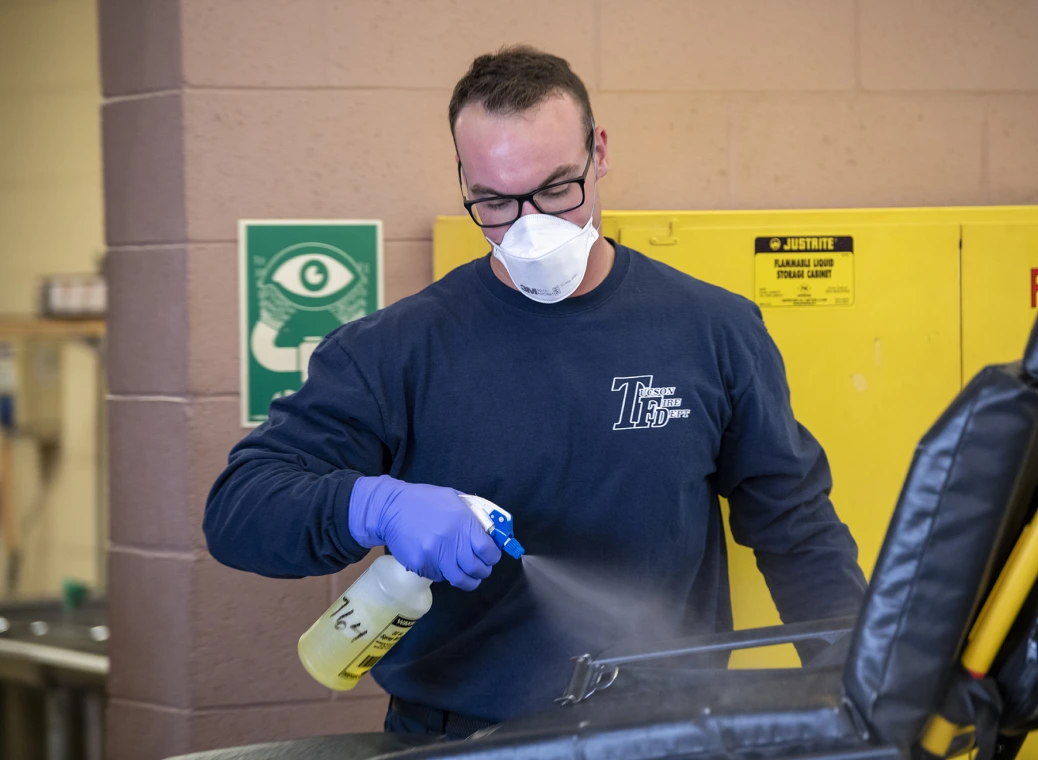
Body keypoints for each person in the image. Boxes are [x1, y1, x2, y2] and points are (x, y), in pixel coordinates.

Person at [203, 45, 866, 740]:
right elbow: (239, 510)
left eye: (556, 190)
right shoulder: (395, 351)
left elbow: (796, 529)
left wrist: (862, 690)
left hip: (667, 736)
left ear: (598, 152)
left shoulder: (712, 329)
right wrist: (373, 506)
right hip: (462, 737)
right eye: (493, 201)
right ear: (463, 179)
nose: (529, 227)